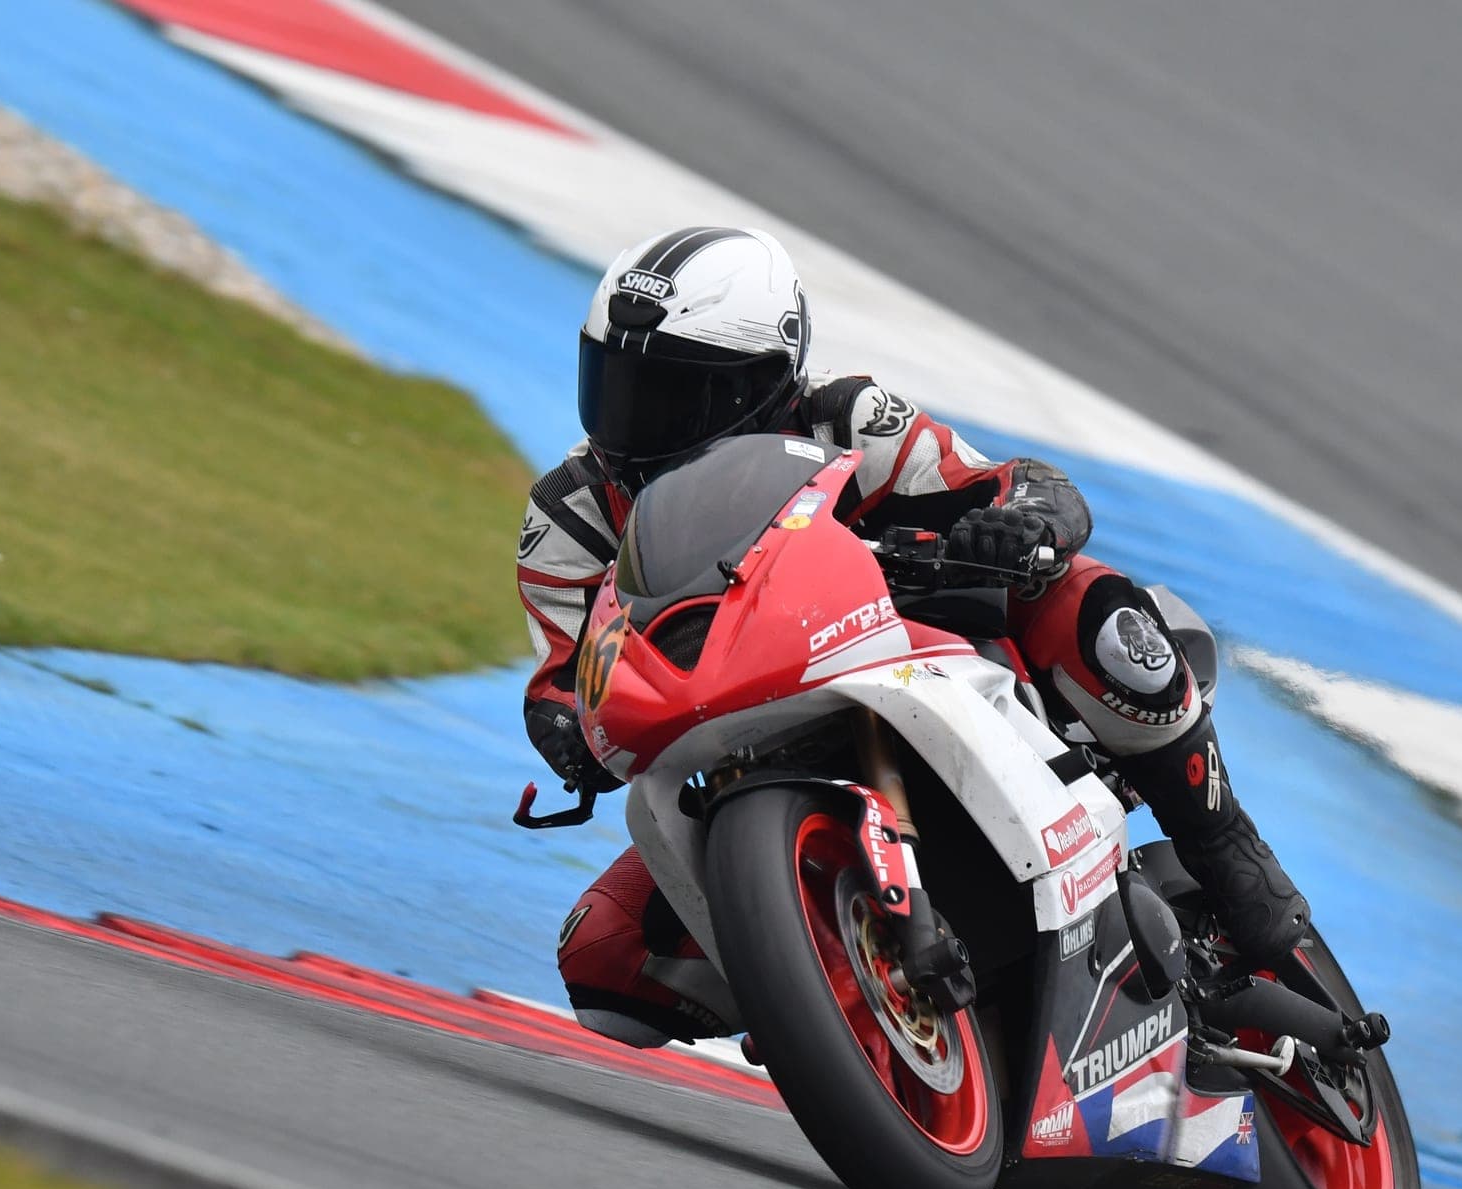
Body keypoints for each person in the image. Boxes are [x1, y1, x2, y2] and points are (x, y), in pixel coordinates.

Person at [518, 225, 1311, 1046]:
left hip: (901, 654)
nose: (634, 426)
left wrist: (1018, 526)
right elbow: (563, 674)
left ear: (762, 383)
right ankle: (821, 990)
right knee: (604, 958)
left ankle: (1225, 842)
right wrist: (564, 726)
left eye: (673, 396)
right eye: (616, 385)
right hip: (725, 730)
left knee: (1091, 609)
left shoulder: (847, 417)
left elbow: (1018, 486)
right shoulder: (568, 515)